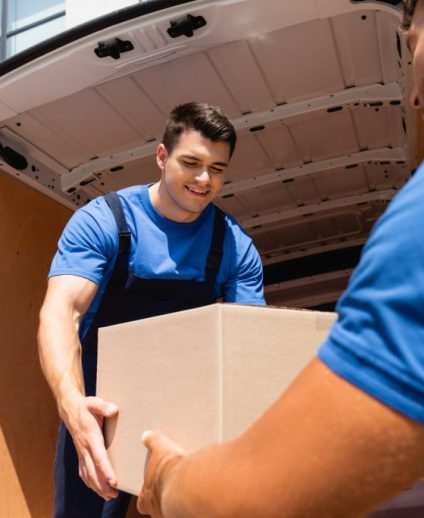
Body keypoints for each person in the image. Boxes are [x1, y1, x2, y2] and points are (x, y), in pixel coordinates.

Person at [137, 0, 424, 516]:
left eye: (414, 46)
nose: (415, 93)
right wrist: (389, 449)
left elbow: (262, 499)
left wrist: (167, 479)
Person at [37, 102, 265, 517]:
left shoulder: (235, 247)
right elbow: (61, 314)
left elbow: (250, 344)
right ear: (162, 157)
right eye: (191, 163)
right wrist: (73, 406)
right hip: (99, 409)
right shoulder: (104, 221)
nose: (203, 179)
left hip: (183, 407)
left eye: (217, 168)